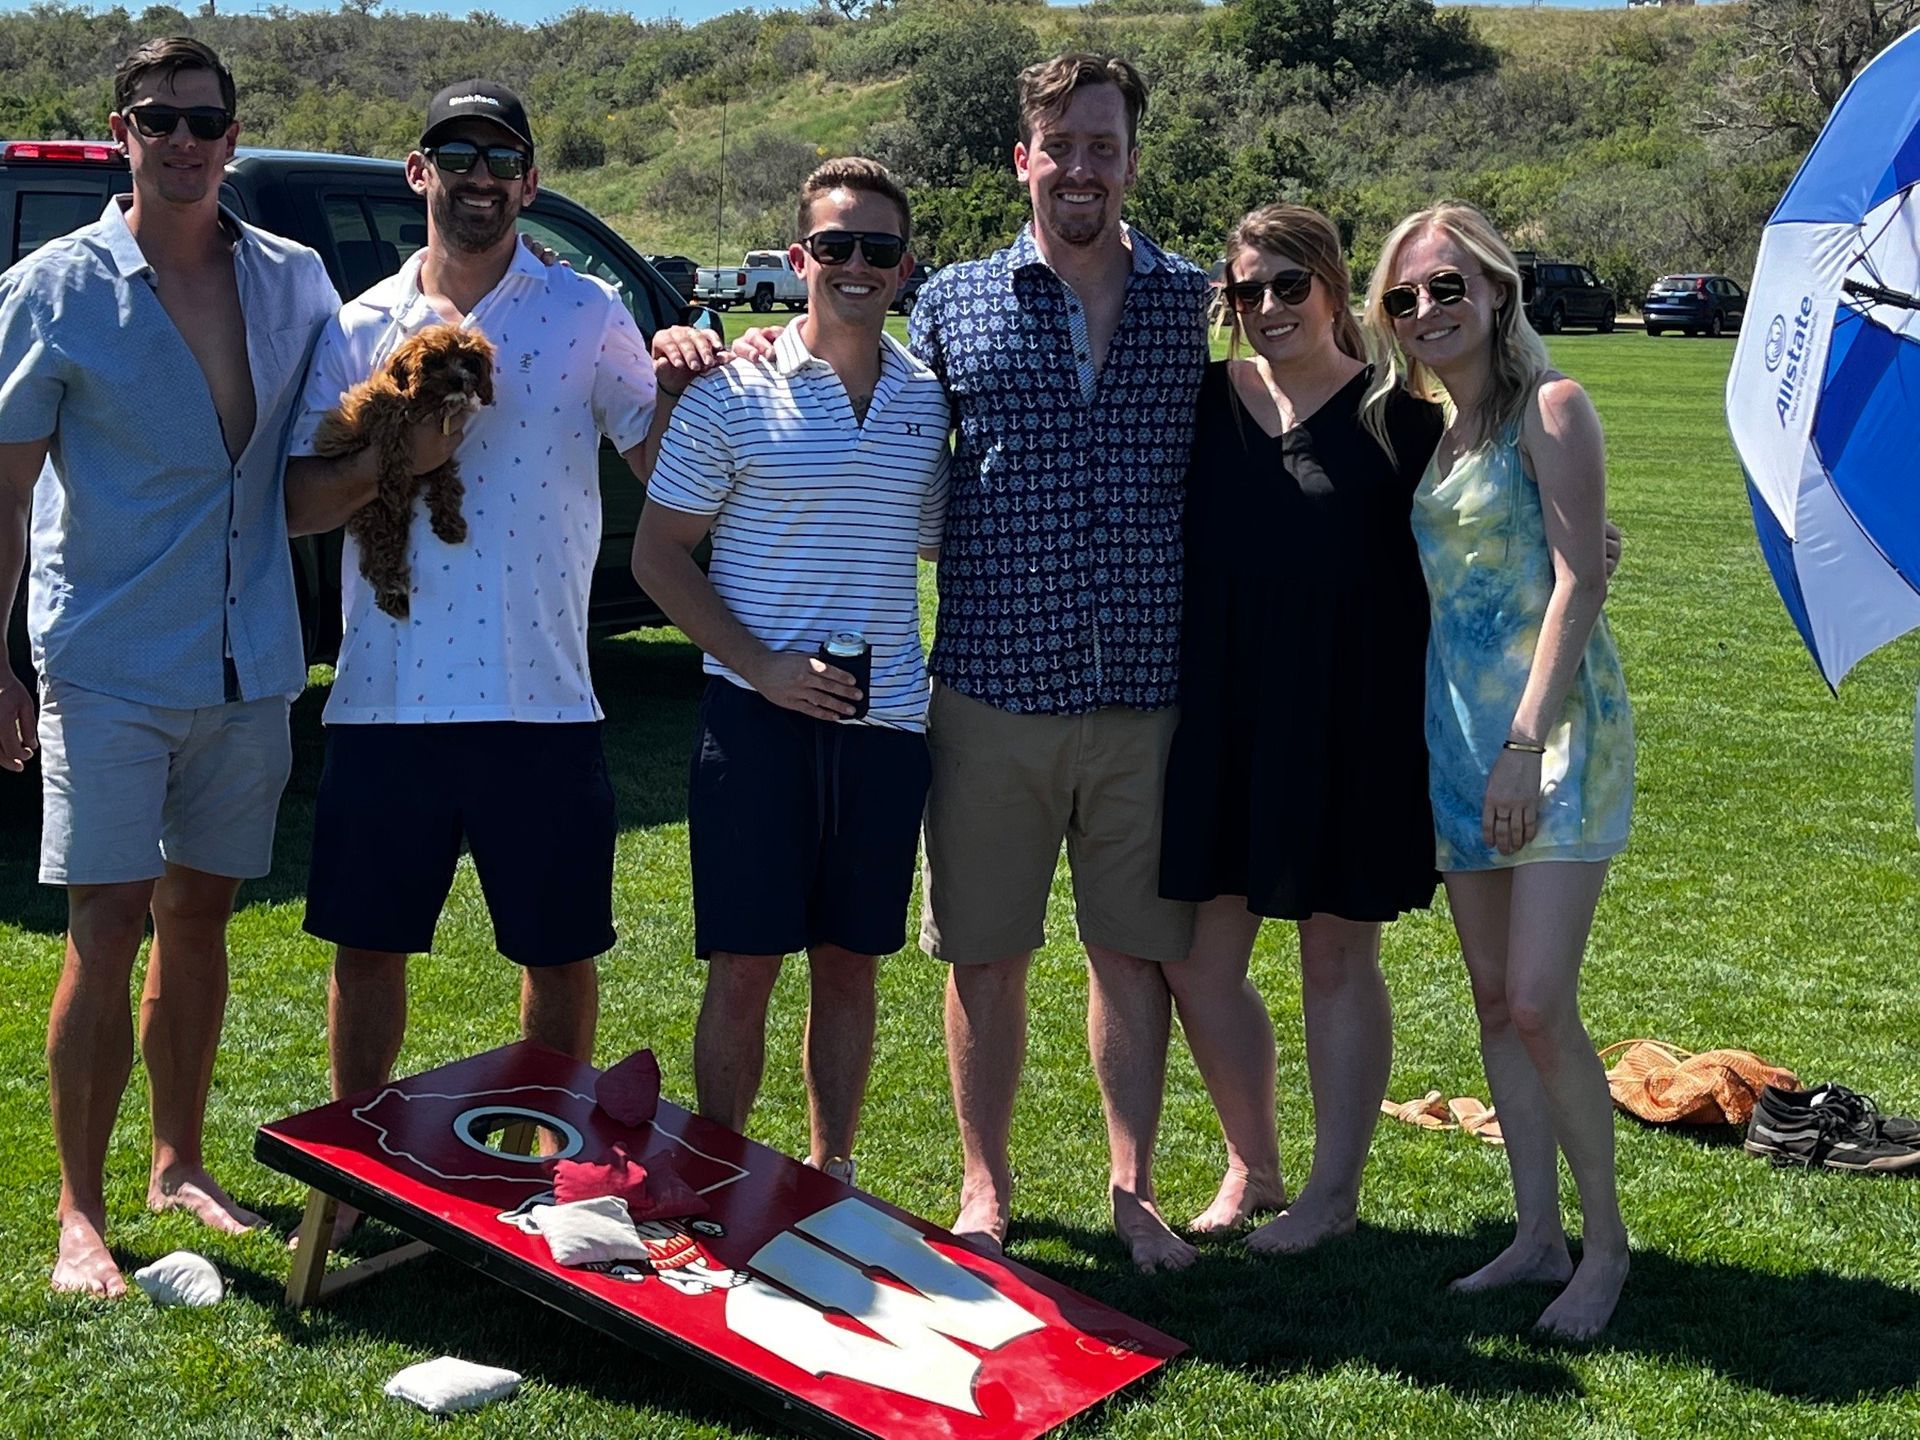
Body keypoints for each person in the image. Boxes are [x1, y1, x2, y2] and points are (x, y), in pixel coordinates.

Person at [283, 81, 656, 1232]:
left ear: (531, 182)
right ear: (419, 171)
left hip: (543, 697)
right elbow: (299, 504)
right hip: (386, 701)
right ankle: (357, 1173)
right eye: (458, 152)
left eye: (503, 155)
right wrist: (409, 455)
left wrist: (691, 370)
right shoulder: (355, 324)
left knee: (556, 955)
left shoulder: (588, 313)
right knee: (369, 950)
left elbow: (663, 466)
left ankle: (548, 1164)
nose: (480, 174)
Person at [0, 37, 340, 1297]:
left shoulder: (293, 282)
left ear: (233, 134)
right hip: (105, 656)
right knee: (106, 923)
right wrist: (0, 666)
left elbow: (314, 466)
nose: (186, 139)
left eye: (206, 119)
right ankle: (80, 1213)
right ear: (120, 131)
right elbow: (6, 490)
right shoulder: (52, 288)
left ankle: (177, 1161)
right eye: (160, 118)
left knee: (199, 917)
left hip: (251, 657)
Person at [907, 54, 1212, 1271]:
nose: (1081, 167)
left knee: (1131, 955)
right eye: (1060, 145)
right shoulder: (950, 302)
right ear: (1022, 158)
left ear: (1132, 159)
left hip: (1147, 688)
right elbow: (856, 403)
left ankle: (1131, 1188)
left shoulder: (1194, 301)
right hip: (992, 687)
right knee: (985, 954)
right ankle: (985, 1184)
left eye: (1104, 145)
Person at [631, 158, 949, 1181]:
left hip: (887, 722)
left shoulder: (927, 402)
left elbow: (939, 542)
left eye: (879, 249)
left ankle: (831, 1170)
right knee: (746, 964)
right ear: (797, 258)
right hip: (756, 721)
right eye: (836, 246)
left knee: (851, 964)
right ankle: (717, 1167)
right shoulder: (734, 389)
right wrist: (761, 664)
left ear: (904, 267)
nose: (857, 266)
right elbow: (657, 554)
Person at [1364, 201, 1635, 1339]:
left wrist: (1526, 743)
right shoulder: (1430, 428)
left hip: (1552, 735)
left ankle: (1606, 1246)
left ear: (1496, 291)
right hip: (1457, 738)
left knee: (1535, 999)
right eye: (1405, 295)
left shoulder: (1550, 407)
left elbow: (1579, 581)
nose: (1428, 308)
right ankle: (1535, 1235)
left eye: (1448, 287)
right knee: (1489, 999)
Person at [1157, 203, 1444, 1253]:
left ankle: (1333, 1192)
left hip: (1352, 719)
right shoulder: (1199, 400)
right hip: (1220, 716)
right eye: (1246, 290)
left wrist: (1583, 535)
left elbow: (1483, 525)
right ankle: (1255, 1164)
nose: (1268, 307)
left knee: (1335, 960)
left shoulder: (1400, 418)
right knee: (1196, 963)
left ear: (1331, 286)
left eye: (1288, 284)